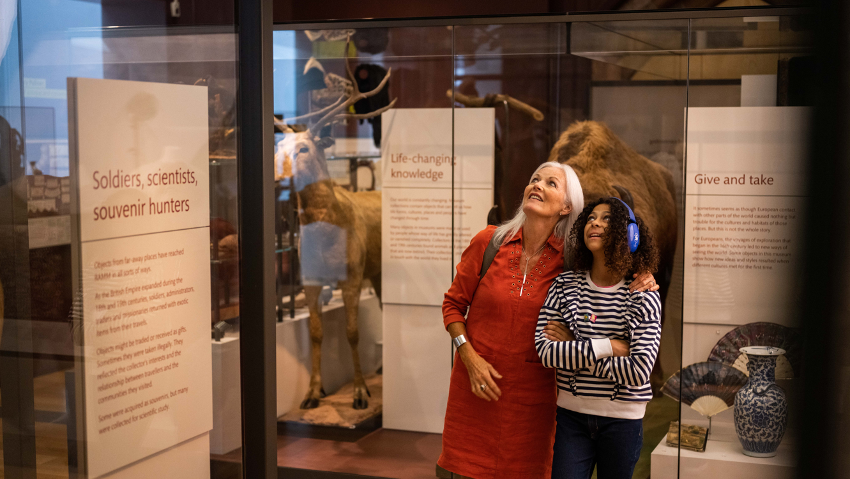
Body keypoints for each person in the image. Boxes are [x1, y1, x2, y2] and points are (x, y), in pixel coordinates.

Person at [437, 162, 658, 479]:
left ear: (567, 206)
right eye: (534, 179)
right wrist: (468, 357)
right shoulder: (488, 242)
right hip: (474, 395)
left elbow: (613, 265)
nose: (537, 185)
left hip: (534, 410)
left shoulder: (571, 262)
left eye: (551, 183)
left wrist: (643, 273)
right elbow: (453, 304)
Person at [535, 197, 662, 479]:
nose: (596, 222)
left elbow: (639, 371)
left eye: (607, 219)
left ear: (628, 234)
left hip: (623, 420)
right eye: (591, 217)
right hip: (571, 416)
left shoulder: (642, 292)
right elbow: (545, 352)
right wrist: (610, 347)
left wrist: (573, 347)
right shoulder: (564, 285)